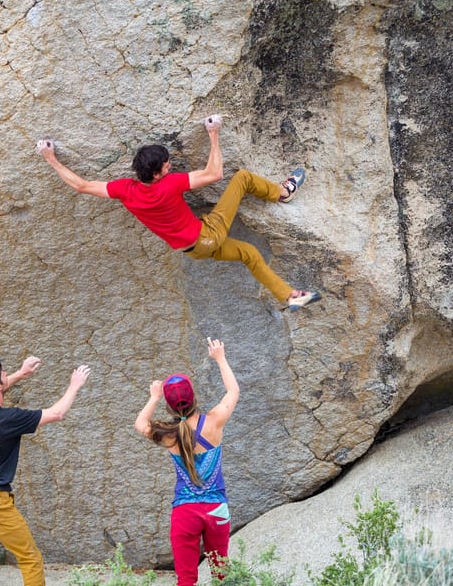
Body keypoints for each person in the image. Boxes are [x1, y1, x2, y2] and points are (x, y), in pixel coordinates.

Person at [38, 115, 321, 310]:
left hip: (194, 249)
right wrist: (213, 133)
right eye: (167, 164)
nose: (171, 166)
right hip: (207, 235)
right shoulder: (169, 185)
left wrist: (51, 158)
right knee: (243, 178)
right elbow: (215, 173)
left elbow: (82, 185)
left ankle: (290, 296)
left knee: (249, 253)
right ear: (158, 171)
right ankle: (284, 193)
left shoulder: (125, 190)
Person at [0, 352, 91, 586]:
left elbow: (0, 388)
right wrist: (74, 385)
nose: (5, 372)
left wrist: (22, 373)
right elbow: (57, 413)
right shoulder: (8, 419)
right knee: (30, 559)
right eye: (2, 372)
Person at [133, 337, 239, 586]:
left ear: (171, 406)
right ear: (194, 397)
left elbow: (140, 424)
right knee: (222, 574)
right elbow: (233, 391)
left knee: (186, 579)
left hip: (185, 512)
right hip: (216, 510)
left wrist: (154, 397)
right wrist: (220, 358)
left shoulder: (168, 435)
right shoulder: (214, 421)